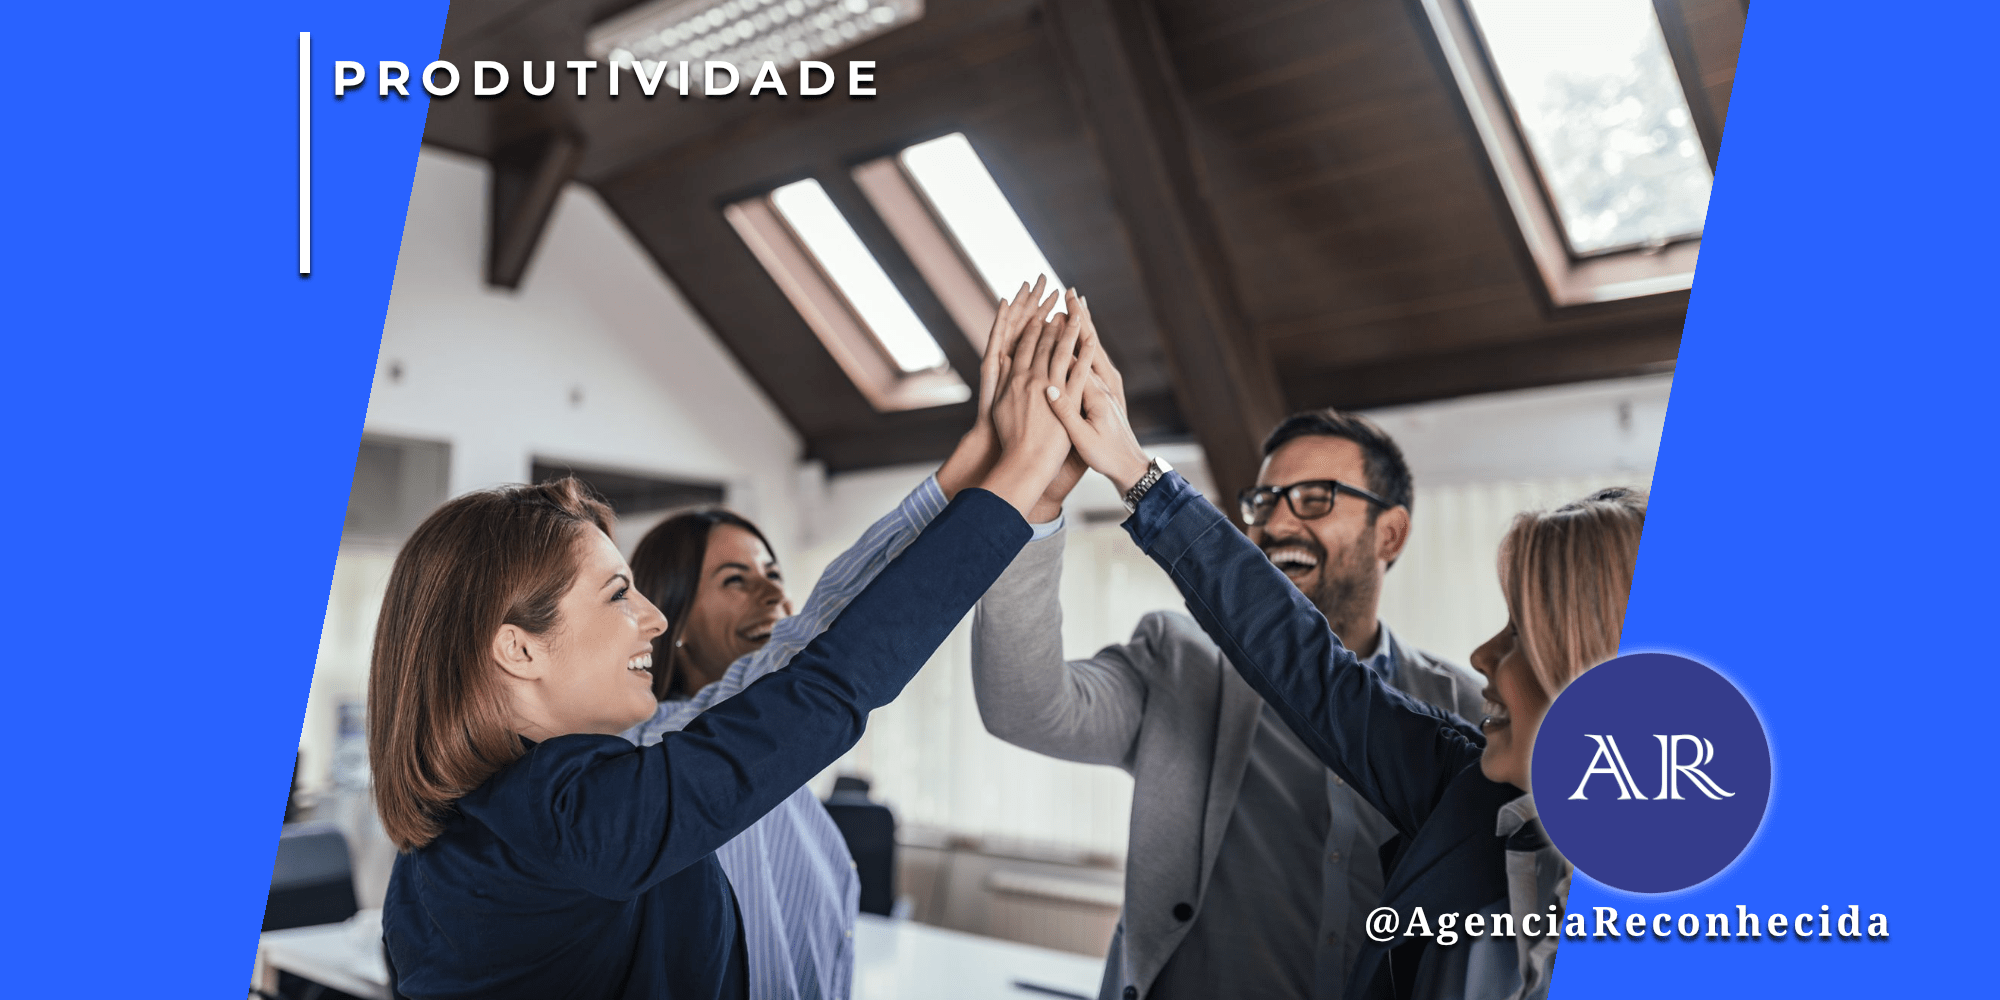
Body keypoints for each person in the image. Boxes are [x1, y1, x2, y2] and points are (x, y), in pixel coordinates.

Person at [366, 296, 1077, 1000]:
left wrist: (984, 463)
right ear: (519, 651)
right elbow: (827, 680)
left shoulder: (445, 857)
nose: (654, 618)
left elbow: (814, 655)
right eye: (617, 594)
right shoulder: (576, 821)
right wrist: (1019, 476)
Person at [1039, 323, 1642, 1000]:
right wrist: (1138, 475)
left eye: (1520, 634)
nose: (1482, 656)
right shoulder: (1463, 789)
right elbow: (1302, 662)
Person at [969, 295, 1483, 1000]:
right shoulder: (1180, 660)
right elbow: (1023, 708)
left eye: (1315, 498)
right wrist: (1034, 503)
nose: (1278, 524)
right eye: (1263, 502)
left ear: (1389, 534)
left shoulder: (1463, 711)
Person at [615, 279, 1079, 1000]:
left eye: (773, 573)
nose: (772, 594)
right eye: (735, 580)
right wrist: (1005, 467)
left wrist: (986, 455)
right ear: (667, 621)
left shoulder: (793, 785)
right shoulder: (653, 755)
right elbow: (822, 636)